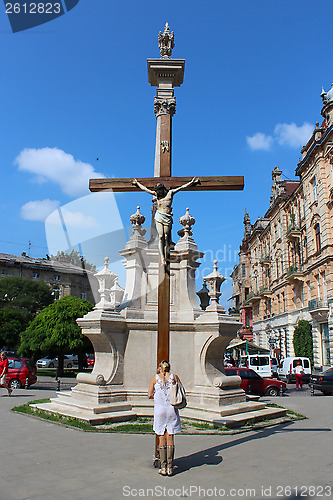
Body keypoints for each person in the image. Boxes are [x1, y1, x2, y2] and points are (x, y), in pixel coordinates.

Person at [132, 177, 200, 266]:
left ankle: (166, 255)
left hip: (167, 216)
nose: (159, 192)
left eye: (159, 190)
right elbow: (145, 189)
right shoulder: (156, 195)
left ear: (162, 188)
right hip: (159, 215)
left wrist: (191, 182)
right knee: (160, 236)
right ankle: (162, 258)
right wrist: (137, 183)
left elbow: (182, 187)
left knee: (166, 235)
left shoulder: (170, 193)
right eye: (157, 191)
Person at [148, 360, 182, 476]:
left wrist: (157, 396)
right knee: (170, 436)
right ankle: (170, 467)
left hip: (160, 410)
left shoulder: (155, 378)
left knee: (161, 435)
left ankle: (163, 467)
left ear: (160, 368)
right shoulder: (174, 377)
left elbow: (149, 395)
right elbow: (182, 390)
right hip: (171, 409)